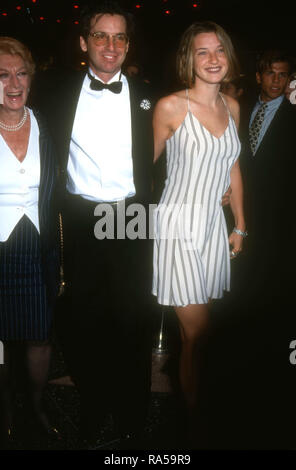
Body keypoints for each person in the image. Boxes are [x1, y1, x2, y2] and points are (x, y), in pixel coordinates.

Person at [34, 1, 154, 446]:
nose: (111, 45)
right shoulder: (54, 90)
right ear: (84, 42)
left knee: (133, 319)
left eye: (119, 37)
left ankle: (132, 418)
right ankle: (93, 405)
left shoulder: (150, 93)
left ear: (128, 45)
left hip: (132, 215)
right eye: (101, 36)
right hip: (79, 217)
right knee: (83, 323)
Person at [152, 22, 246, 418]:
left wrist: (239, 222)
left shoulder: (232, 105)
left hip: (212, 227)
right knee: (199, 330)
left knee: (199, 334)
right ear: (188, 59)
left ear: (229, 56)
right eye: (202, 51)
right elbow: (141, 169)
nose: (212, 59)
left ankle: (187, 392)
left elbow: (233, 165)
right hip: (177, 228)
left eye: (219, 50)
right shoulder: (170, 106)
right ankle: (195, 421)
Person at [0, 37, 59, 446]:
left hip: (37, 249)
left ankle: (35, 405)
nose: (13, 84)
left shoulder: (48, 125)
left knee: (39, 336)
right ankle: (3, 411)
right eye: (2, 75)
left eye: (21, 74)